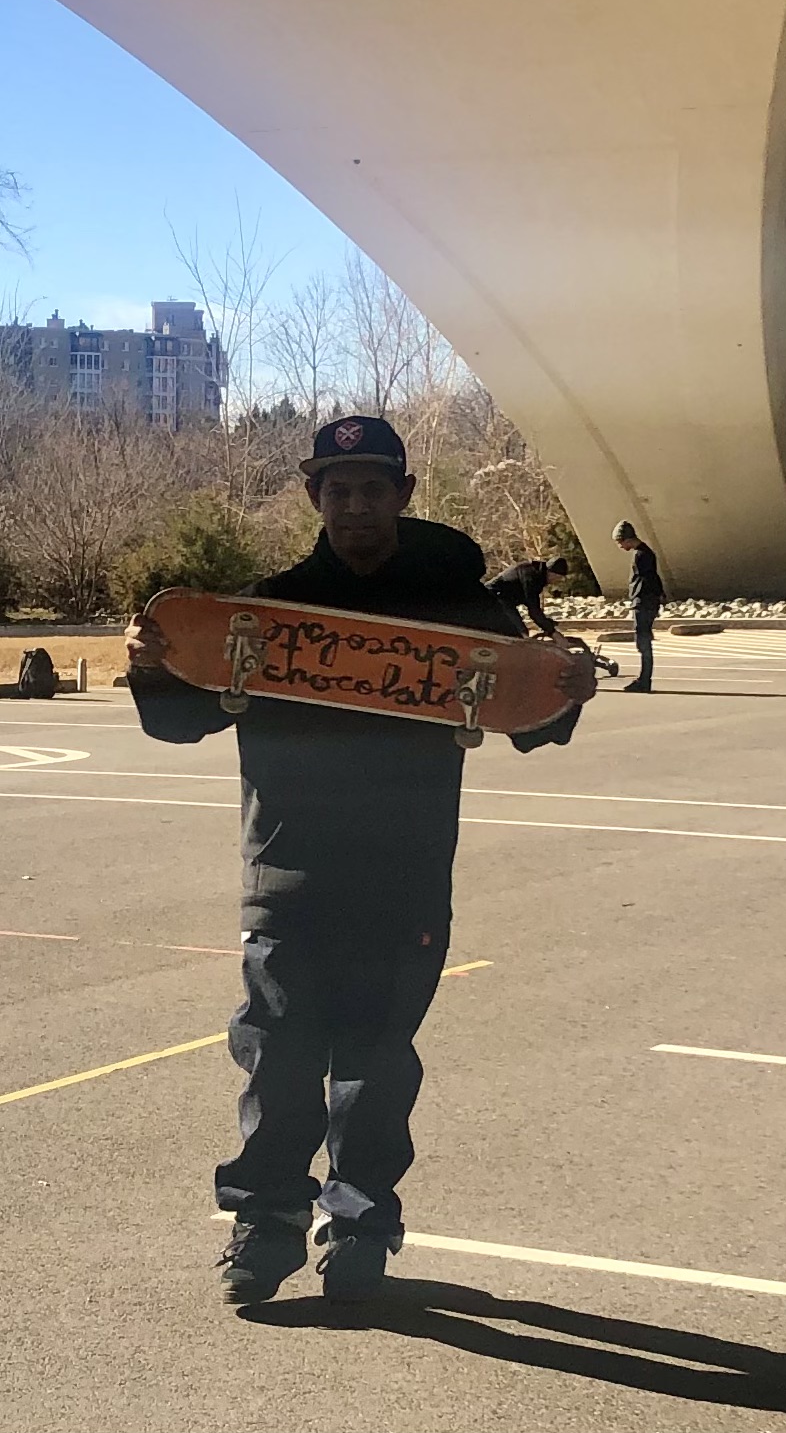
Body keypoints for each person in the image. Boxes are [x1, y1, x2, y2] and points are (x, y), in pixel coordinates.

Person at [125, 416, 595, 1307]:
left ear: (403, 496)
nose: (355, 506)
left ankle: (361, 1230)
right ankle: (263, 1231)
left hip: (404, 881)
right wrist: (153, 668)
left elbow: (534, 715)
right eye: (337, 490)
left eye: (373, 489)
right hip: (287, 879)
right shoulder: (269, 611)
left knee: (376, 1070)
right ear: (314, 498)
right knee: (279, 1062)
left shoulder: (456, 612)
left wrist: (571, 688)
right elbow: (181, 717)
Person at [612, 520, 664, 692]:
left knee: (643, 641)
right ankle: (644, 678)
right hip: (647, 602)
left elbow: (645, 581)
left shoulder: (641, 555)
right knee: (644, 641)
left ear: (627, 539)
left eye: (620, 542)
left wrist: (637, 600)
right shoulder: (645, 553)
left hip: (644, 602)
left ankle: (644, 680)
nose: (620, 546)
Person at [485, 555, 568, 637]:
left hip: (503, 599)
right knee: (520, 633)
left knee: (520, 631)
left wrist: (548, 624)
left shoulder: (537, 575)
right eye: (558, 577)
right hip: (492, 598)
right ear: (550, 572)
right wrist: (552, 632)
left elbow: (533, 606)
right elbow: (533, 610)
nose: (558, 581)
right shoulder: (531, 576)